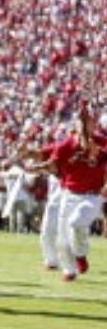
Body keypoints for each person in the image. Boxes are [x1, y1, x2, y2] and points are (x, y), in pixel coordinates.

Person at [23, 105, 107, 281]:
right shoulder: (66, 145)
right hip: (69, 194)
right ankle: (69, 270)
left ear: (94, 124)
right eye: (82, 122)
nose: (85, 126)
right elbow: (53, 163)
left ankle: (81, 254)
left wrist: (95, 151)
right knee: (62, 237)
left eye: (89, 122)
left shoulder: (101, 141)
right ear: (75, 125)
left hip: (93, 195)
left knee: (76, 222)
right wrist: (37, 168)